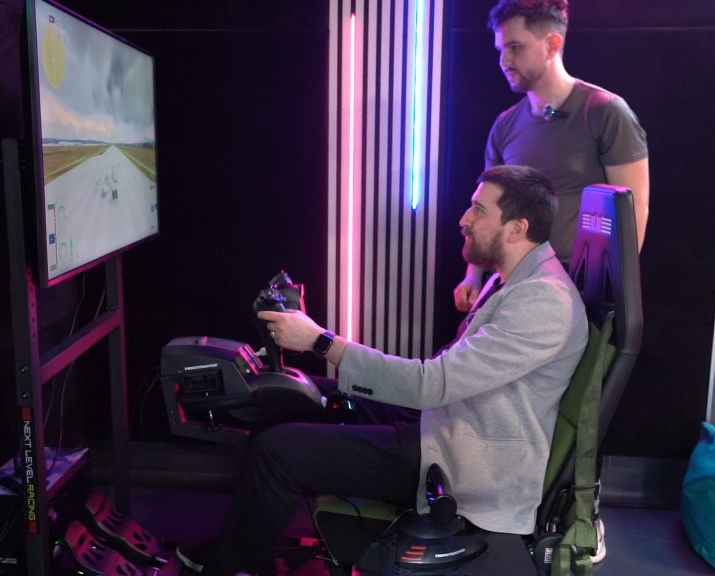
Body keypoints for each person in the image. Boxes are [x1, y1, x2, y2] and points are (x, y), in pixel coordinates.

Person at [177, 165, 589, 576]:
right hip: (441, 421)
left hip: (462, 457)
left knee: (277, 452)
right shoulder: (514, 279)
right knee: (289, 394)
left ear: (517, 228)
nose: (464, 219)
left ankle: (234, 567)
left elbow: (434, 383)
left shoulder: (543, 301)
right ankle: (240, 549)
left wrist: (321, 341)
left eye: (478, 210)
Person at [454, 0, 649, 313]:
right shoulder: (505, 125)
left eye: (515, 47)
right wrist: (473, 275)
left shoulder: (605, 112)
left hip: (580, 289)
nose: (504, 61)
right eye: (501, 50)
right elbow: (485, 207)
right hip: (514, 284)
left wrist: (613, 293)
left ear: (552, 45)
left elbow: (633, 208)